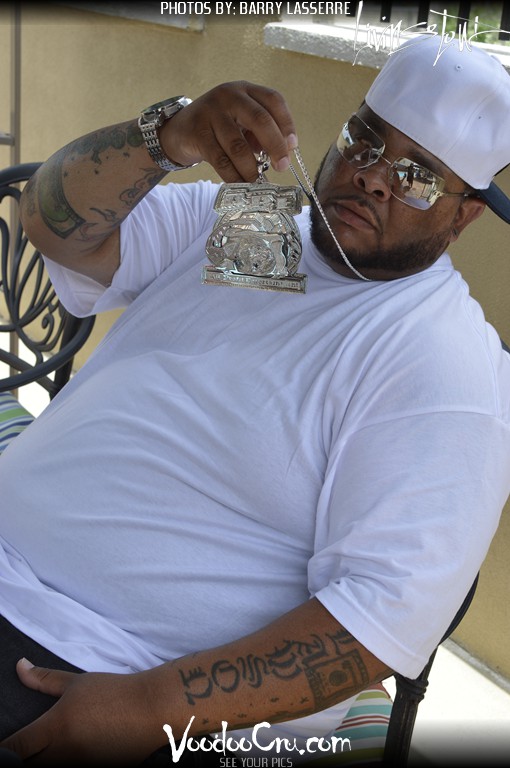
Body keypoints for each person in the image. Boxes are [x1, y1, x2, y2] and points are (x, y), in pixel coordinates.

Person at [1, 32, 510, 766]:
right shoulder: (265, 237)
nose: (373, 178)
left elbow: (381, 618)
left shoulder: (436, 356)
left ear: (464, 217)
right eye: (365, 141)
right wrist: (166, 137)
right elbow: (54, 228)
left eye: (417, 177)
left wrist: (149, 709)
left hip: (95, 661)